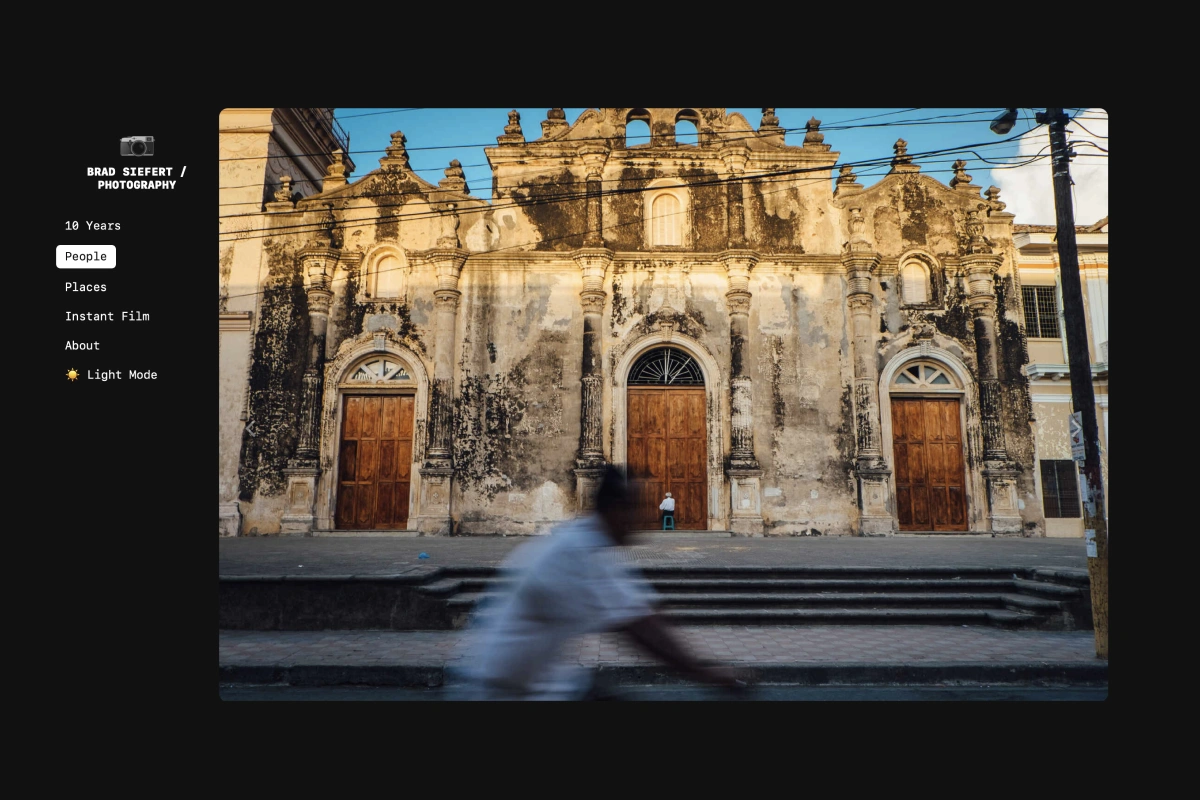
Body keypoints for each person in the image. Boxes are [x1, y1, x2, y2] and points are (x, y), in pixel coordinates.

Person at [449, 465, 745, 700]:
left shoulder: (587, 543)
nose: (639, 521)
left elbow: (640, 609)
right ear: (615, 510)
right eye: (633, 510)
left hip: (544, 679)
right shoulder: (578, 552)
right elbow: (643, 630)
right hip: (502, 689)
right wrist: (710, 674)